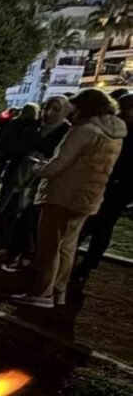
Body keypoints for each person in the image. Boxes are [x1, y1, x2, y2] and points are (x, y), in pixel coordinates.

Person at [12, 89, 126, 307]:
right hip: (89, 196)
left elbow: (59, 164)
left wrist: (38, 167)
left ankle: (42, 292)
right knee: (68, 247)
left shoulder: (84, 131)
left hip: (64, 194)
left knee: (49, 246)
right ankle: (58, 291)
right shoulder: (115, 134)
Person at [0, 99, 68, 272]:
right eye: (46, 108)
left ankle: (29, 255)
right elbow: (8, 146)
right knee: (12, 214)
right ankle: (13, 252)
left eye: (56, 109)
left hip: (44, 184)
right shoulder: (29, 126)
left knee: (32, 220)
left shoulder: (67, 132)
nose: (49, 113)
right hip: (19, 178)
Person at [73, 93, 133, 283]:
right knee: (95, 224)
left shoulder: (115, 128)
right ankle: (81, 263)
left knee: (95, 224)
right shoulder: (114, 128)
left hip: (115, 184)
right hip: (111, 183)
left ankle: (83, 264)